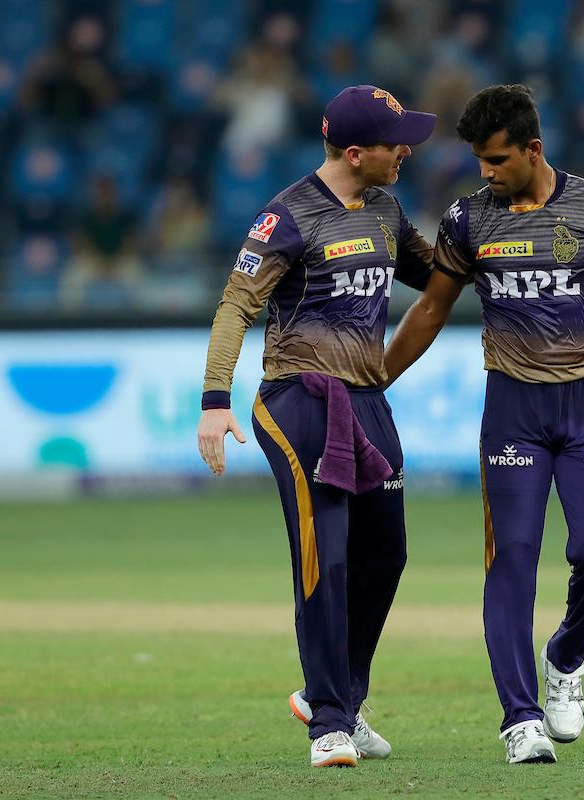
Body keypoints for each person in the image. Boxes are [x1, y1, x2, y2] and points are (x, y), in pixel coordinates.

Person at [383, 84, 584, 764]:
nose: (486, 172)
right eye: (478, 160)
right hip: (514, 411)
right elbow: (433, 309)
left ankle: (566, 654)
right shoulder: (467, 221)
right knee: (512, 562)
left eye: (497, 159)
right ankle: (520, 718)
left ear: (533, 149)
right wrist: (376, 378)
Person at [197, 85, 436, 768]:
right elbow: (234, 307)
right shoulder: (288, 216)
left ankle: (340, 698)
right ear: (356, 153)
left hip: (366, 399)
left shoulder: (387, 209)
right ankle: (329, 723)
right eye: (396, 143)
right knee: (324, 555)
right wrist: (216, 400)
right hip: (297, 399)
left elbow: (442, 273)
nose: (408, 150)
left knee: (385, 556)